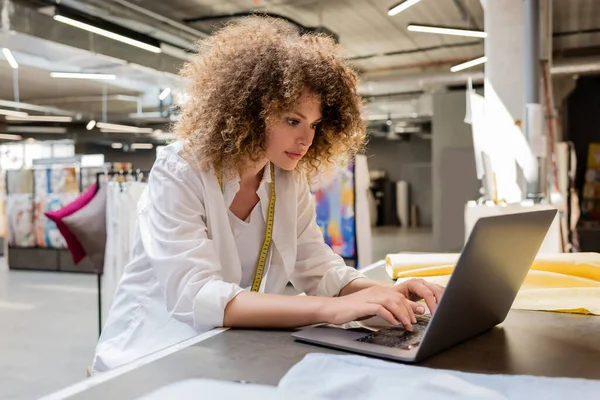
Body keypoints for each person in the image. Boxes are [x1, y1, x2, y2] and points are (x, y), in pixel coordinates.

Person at [92, 17, 444, 373]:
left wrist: (383, 292)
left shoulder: (285, 177)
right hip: (154, 351)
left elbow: (316, 266)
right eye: (293, 120)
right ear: (248, 112)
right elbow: (196, 297)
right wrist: (333, 310)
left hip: (228, 345)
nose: (306, 139)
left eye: (314, 124)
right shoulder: (181, 170)